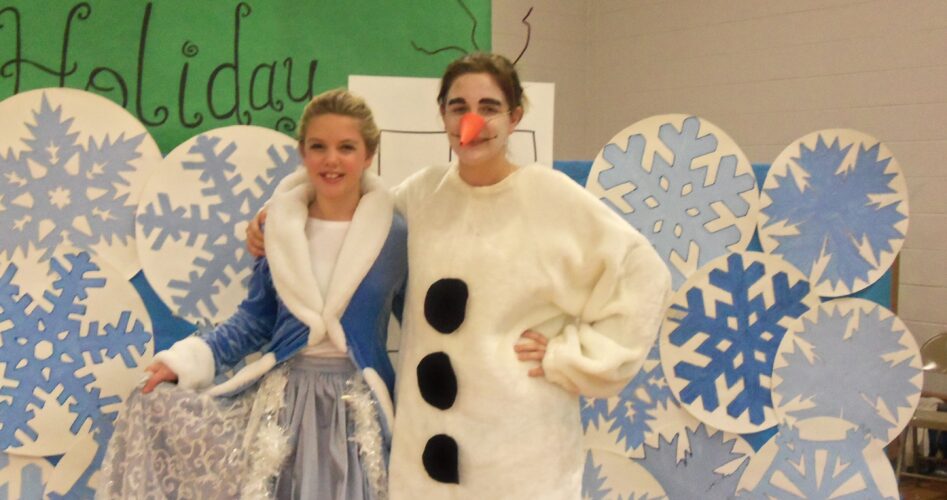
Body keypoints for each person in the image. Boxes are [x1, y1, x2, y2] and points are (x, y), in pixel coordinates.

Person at [247, 53, 671, 499]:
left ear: (514, 117)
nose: (472, 121)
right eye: (459, 107)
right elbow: (350, 210)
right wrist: (277, 219)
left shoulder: (552, 198)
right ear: (443, 116)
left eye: (489, 107)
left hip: (519, 450)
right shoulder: (421, 195)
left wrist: (571, 357)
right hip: (427, 452)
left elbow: (642, 274)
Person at [99, 89, 407, 500]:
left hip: (359, 413)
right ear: (302, 152)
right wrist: (187, 360)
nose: (331, 160)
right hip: (286, 408)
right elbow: (255, 320)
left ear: (368, 155)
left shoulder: (395, 235)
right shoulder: (278, 229)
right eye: (318, 146)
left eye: (346, 147)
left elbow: (420, 324)